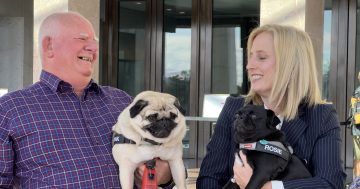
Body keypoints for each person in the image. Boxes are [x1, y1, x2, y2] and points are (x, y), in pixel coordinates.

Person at [0, 12, 175, 188]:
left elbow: (166, 159)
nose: (93, 47)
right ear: (49, 46)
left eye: (95, 41)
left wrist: (166, 174)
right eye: (82, 39)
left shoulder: (122, 101)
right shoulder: (10, 109)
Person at [196, 24, 346, 189]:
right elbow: (209, 178)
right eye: (250, 57)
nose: (249, 66)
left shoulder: (321, 116)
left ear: (291, 65)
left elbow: (330, 184)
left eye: (261, 57)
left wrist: (265, 187)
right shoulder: (235, 108)